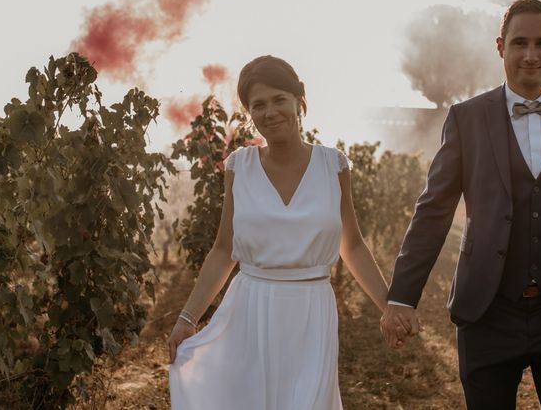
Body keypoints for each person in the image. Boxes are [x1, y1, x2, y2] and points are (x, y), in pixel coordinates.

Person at [381, 0, 541, 409]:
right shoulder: (466, 119)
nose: (531, 55)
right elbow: (433, 210)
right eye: (520, 43)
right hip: (487, 312)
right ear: (500, 46)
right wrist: (402, 297)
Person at [168, 55, 392, 410]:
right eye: (258, 105)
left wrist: (389, 306)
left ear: (299, 102)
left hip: (312, 311)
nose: (270, 112)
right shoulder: (238, 167)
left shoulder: (333, 165)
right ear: (249, 113)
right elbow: (223, 251)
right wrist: (187, 318)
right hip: (250, 311)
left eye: (279, 100)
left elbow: (354, 246)